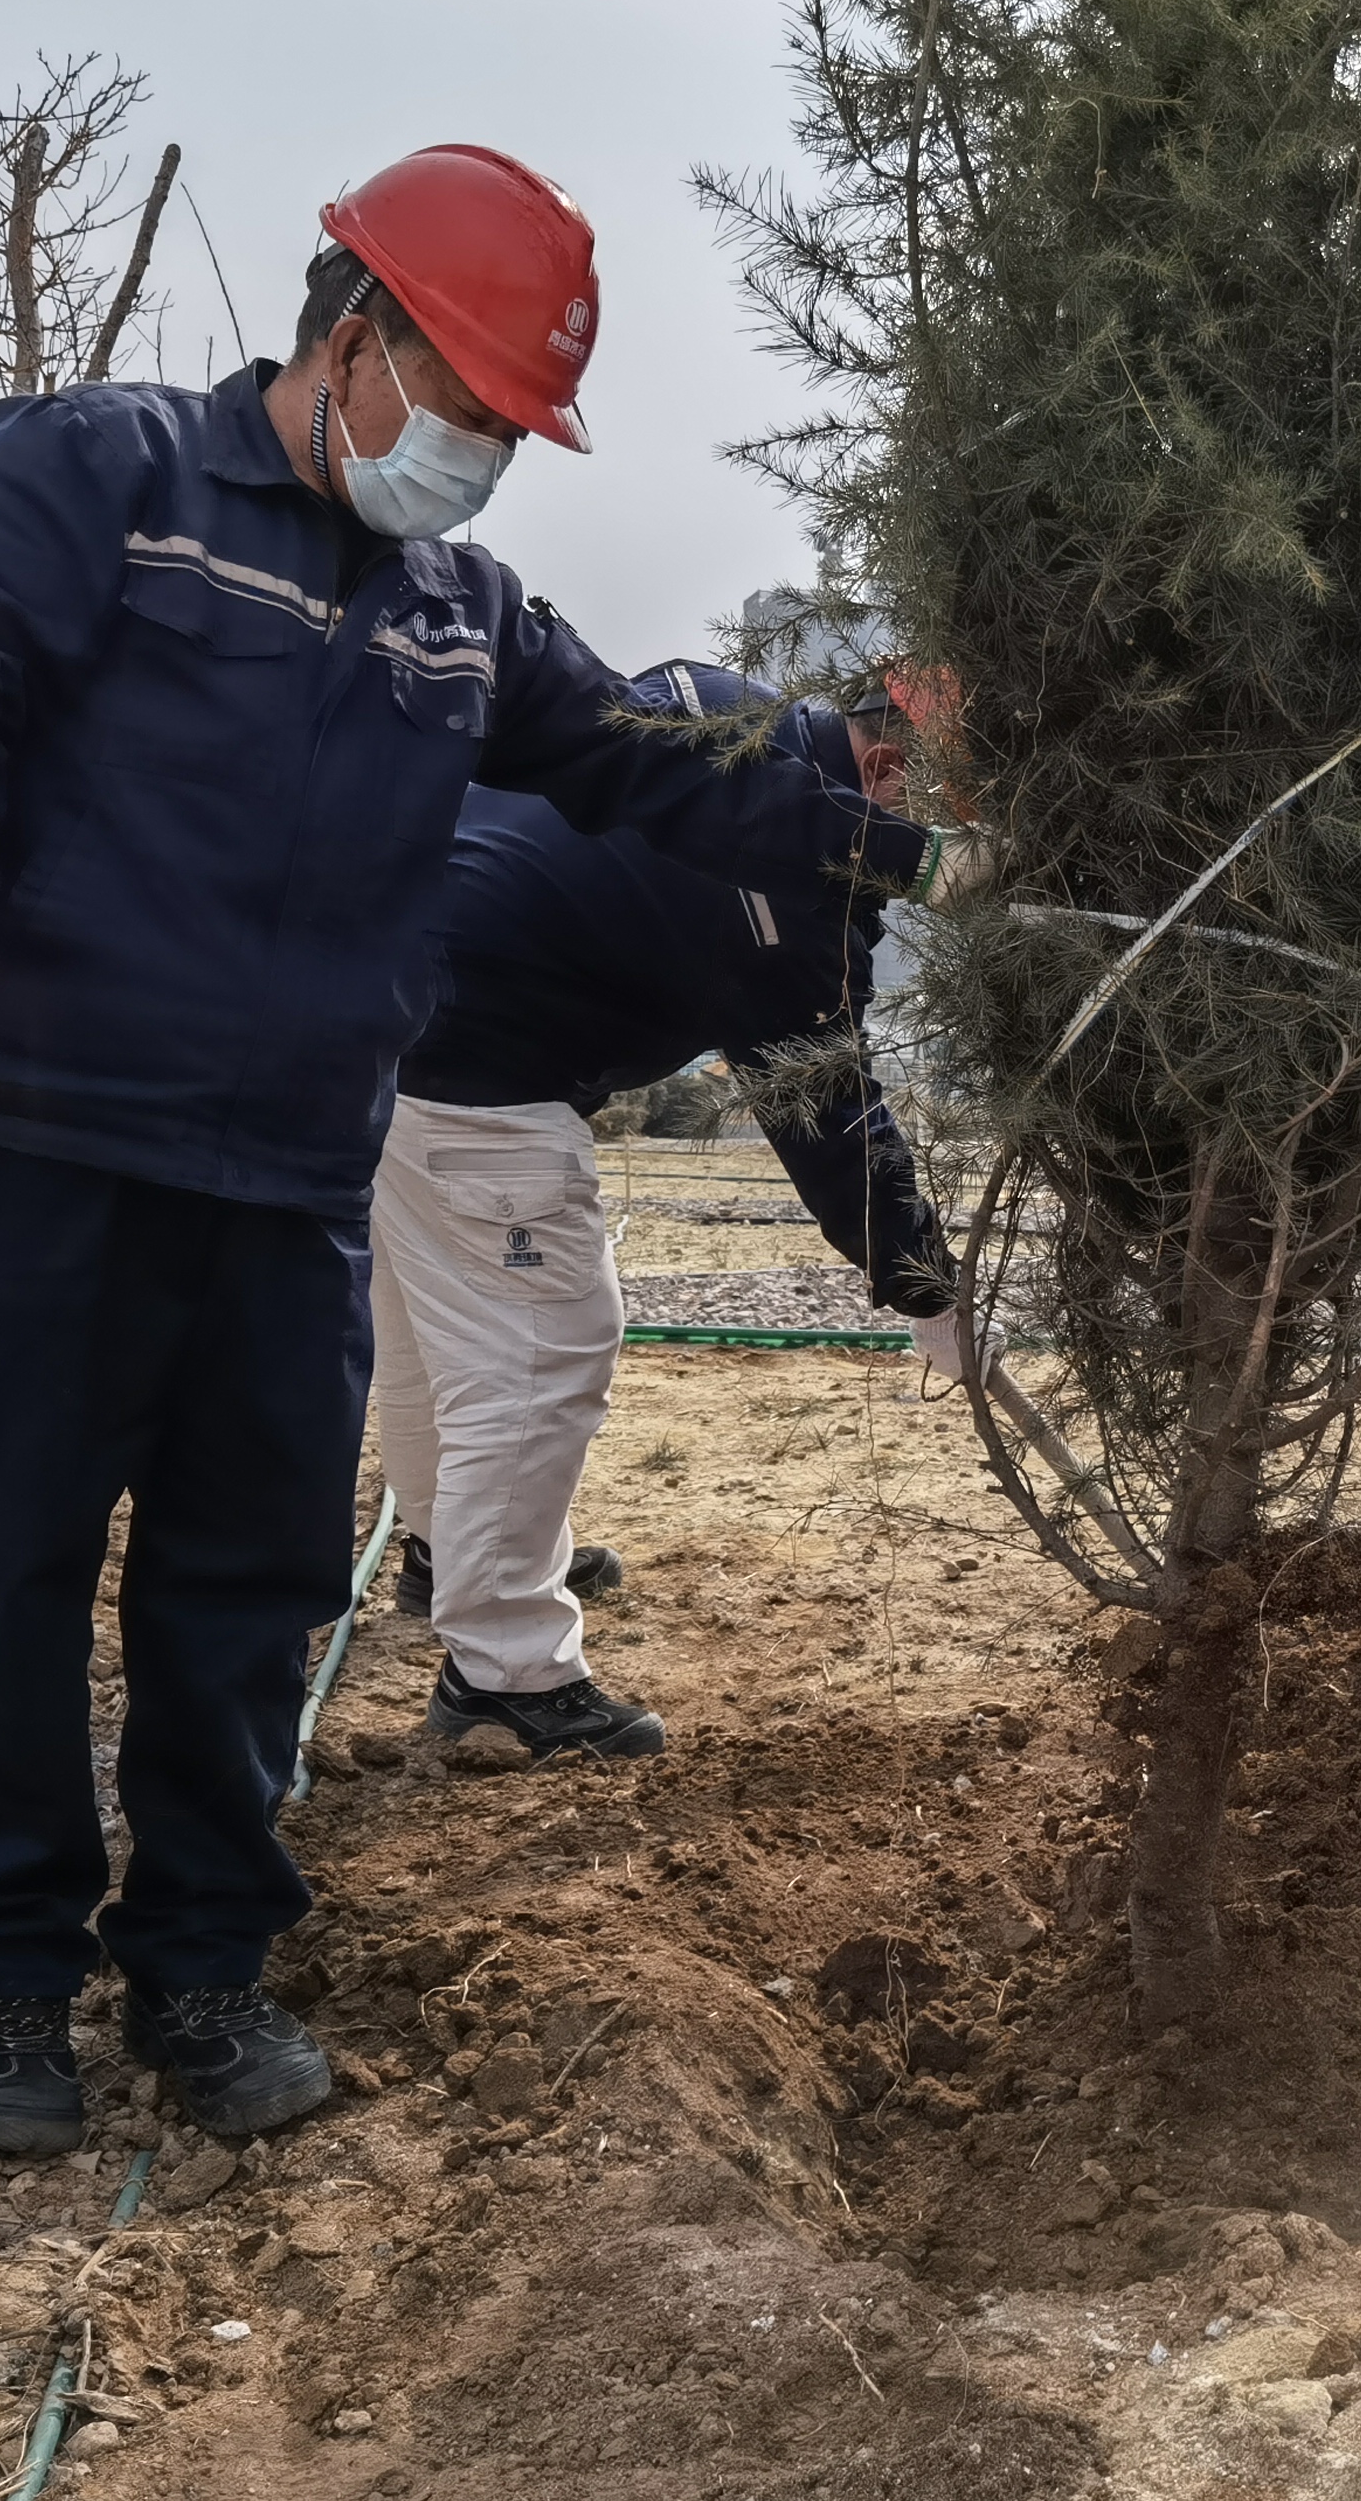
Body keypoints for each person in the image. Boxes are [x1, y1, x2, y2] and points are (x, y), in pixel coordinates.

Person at [0, 148, 933, 2159]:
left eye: (511, 429)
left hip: (291, 1173)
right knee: (3, 1570)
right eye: (466, 404)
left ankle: (207, 1966)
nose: (478, 454)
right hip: (43, 1139)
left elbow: (656, 767)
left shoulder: (457, 615)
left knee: (251, 1582)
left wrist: (897, 830)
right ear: (350, 337)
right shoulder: (99, 481)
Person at [374, 662, 962, 1762]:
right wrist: (923, 1283)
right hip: (478, 1073)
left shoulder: (715, 711)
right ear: (882, 771)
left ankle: (448, 1558)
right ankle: (505, 1677)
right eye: (945, 831)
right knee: (537, 1358)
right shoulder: (778, 882)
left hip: (377, 1024)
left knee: (430, 1343)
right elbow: (823, 1098)